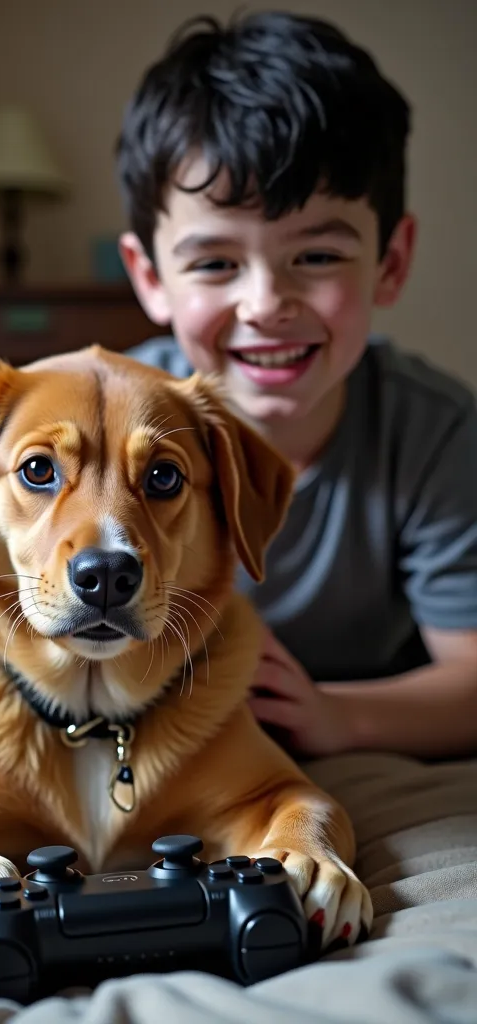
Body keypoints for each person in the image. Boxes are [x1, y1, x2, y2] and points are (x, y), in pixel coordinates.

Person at [116, 10, 477, 761]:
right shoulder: (108, 422)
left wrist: (334, 716)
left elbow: (470, 677)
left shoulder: (432, 433)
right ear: (150, 277)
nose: (264, 305)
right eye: (215, 264)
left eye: (315, 256)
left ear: (391, 261)